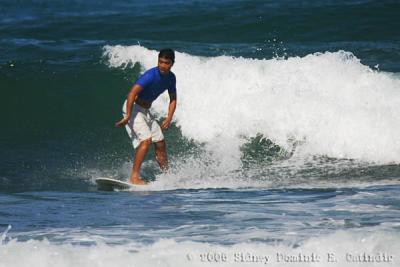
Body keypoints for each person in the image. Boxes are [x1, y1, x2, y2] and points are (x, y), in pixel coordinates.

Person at [115, 49, 177, 185]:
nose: (162, 65)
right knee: (146, 141)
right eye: (160, 62)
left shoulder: (171, 78)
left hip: (145, 111)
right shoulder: (150, 75)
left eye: (166, 63)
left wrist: (169, 118)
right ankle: (134, 177)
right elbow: (131, 93)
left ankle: (167, 177)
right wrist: (128, 115)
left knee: (160, 143)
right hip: (134, 108)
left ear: (172, 64)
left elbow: (173, 99)